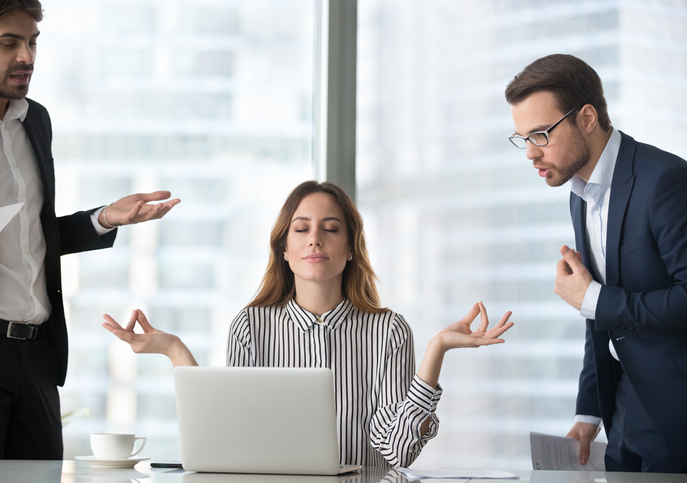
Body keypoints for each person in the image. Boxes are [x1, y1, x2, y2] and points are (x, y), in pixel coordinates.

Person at [104, 180, 514, 468]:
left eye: (330, 229)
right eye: (302, 229)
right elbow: (232, 434)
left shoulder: (389, 331)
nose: (315, 239)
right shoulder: (250, 326)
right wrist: (175, 350)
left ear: (350, 249)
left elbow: (398, 450)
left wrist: (436, 348)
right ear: (285, 249)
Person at [0, 0, 180, 459]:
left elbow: (28, 233)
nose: (27, 56)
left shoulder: (35, 121)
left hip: (37, 358)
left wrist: (103, 220)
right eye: (9, 43)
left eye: (32, 41)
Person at [505, 54, 687, 472]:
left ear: (586, 117)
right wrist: (589, 413)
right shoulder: (580, 194)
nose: (531, 154)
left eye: (540, 135)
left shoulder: (666, 182)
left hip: (677, 419)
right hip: (623, 417)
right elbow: (598, 314)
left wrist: (595, 300)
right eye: (522, 139)